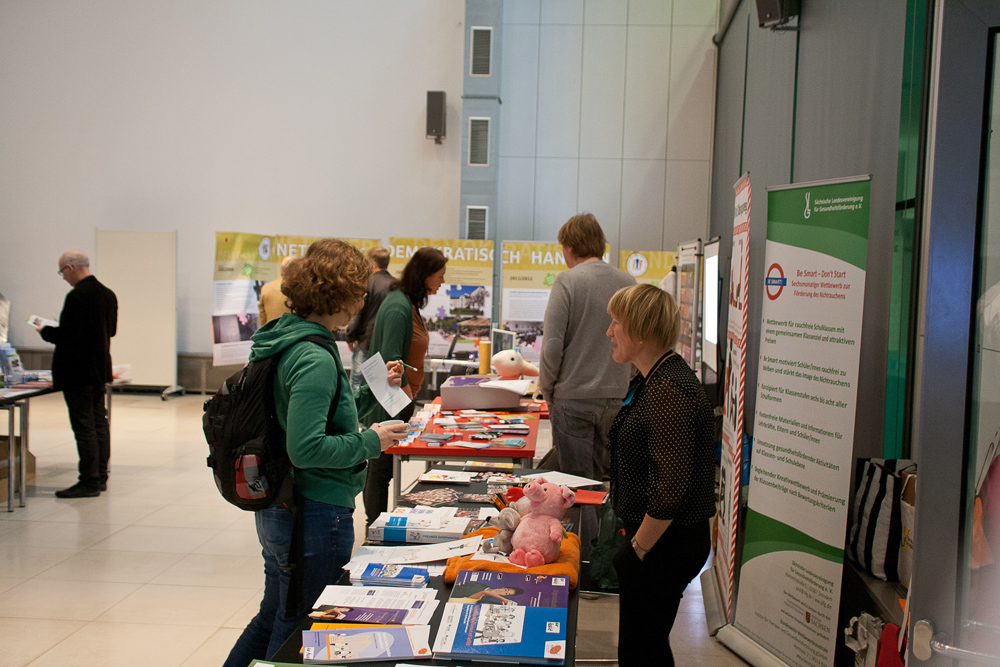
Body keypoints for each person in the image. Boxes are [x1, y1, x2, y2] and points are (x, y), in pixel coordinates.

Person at [223, 239, 408, 667]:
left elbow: (326, 414)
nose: (362, 302)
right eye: (358, 293)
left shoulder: (286, 339)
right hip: (313, 510)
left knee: (273, 616)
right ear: (338, 296)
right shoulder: (314, 356)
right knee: (298, 627)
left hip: (283, 503)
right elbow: (306, 448)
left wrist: (377, 390)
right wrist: (371, 442)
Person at [605, 284, 716, 667]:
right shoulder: (655, 377)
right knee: (645, 646)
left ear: (640, 330)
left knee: (641, 651)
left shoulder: (668, 388)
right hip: (659, 542)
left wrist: (637, 550)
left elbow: (671, 488)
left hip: (665, 544)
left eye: (616, 323)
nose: (609, 332)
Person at [538, 213, 635, 553]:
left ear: (569, 247)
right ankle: (606, 556)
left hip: (573, 399)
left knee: (576, 488)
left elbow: (552, 345)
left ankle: (586, 561)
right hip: (616, 398)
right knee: (604, 483)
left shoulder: (567, 281)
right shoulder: (628, 281)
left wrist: (547, 388)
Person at [360, 246, 447, 526]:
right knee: (380, 468)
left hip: (398, 401)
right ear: (425, 275)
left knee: (383, 467)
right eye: (440, 275)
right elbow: (391, 358)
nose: (442, 281)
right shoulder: (398, 306)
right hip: (390, 402)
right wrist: (407, 401)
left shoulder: (406, 302)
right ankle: (374, 527)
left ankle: (378, 524)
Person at [36, 250, 118, 499]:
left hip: (77, 372)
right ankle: (100, 477)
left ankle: (89, 481)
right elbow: (111, 331)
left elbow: (68, 337)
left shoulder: (77, 296)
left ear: (70, 268)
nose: (63, 277)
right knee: (99, 423)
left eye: (62, 272)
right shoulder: (107, 294)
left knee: (84, 427)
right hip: (99, 369)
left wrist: (45, 331)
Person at [345, 246, 394, 393]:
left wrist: (350, 336)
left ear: (372, 263)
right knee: (382, 387)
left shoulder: (367, 283)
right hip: (387, 343)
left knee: (356, 385)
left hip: (366, 342)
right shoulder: (396, 285)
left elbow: (358, 312)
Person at [257, 256, 295, 325]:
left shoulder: (266, 288)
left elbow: (263, 320)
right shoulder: (301, 290)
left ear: (281, 269)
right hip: (294, 330)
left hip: (272, 330)